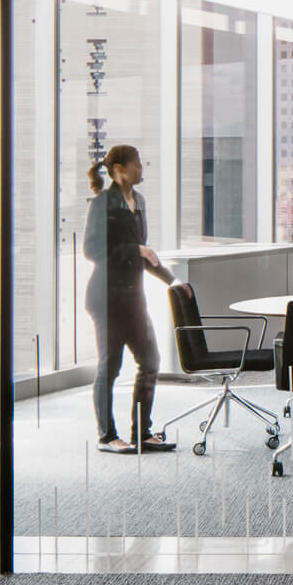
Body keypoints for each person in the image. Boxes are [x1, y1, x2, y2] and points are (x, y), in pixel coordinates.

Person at [84, 145, 176, 453]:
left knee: (150, 361)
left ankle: (141, 432)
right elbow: (92, 250)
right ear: (120, 169)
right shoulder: (102, 204)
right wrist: (133, 250)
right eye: (137, 164)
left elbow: (144, 253)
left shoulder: (139, 202)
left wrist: (173, 281)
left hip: (133, 298)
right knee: (109, 367)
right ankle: (107, 436)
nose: (142, 168)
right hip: (106, 297)